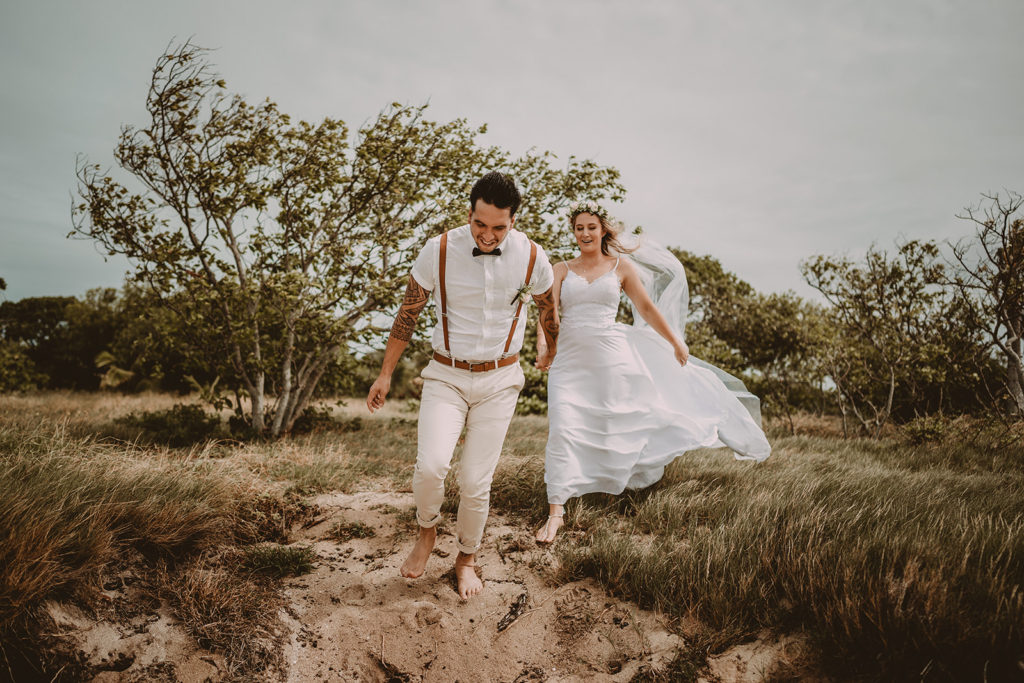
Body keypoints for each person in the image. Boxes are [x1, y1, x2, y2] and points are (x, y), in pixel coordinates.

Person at [367, 171, 558, 599]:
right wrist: (385, 374)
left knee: (475, 481)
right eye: (480, 224)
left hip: (501, 379)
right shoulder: (437, 250)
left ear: (513, 221)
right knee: (431, 467)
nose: (488, 235)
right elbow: (408, 313)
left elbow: (549, 307)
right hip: (446, 375)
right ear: (469, 212)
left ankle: (466, 558)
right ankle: (426, 533)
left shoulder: (532, 257)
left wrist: (551, 346)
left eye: (498, 227)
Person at [534, 201, 771, 543]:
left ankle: (607, 486)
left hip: (610, 358)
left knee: (614, 423)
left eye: (591, 227)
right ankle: (556, 511)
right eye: (578, 228)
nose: (584, 233)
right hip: (568, 360)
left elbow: (645, 307)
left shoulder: (621, 267)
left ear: (603, 230)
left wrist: (675, 341)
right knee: (562, 428)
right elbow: (547, 312)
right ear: (573, 231)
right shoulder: (559, 269)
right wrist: (544, 346)